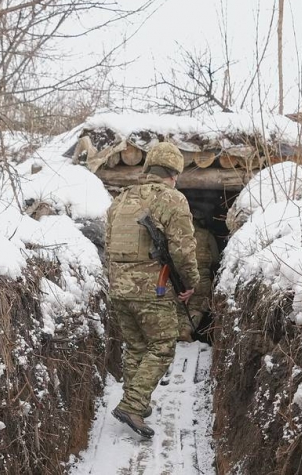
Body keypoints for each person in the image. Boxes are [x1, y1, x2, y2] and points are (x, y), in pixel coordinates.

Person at [105, 141, 200, 439]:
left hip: (119, 289)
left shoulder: (121, 199)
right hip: (152, 290)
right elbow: (184, 249)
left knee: (136, 347)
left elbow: (109, 243)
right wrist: (190, 283)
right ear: (174, 173)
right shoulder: (172, 199)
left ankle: (139, 403)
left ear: (149, 169)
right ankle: (132, 404)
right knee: (161, 347)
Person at [177, 214, 219, 342]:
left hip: (180, 278)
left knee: (179, 306)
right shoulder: (206, 235)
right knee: (198, 306)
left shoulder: (178, 236)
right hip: (201, 278)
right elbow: (216, 258)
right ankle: (186, 330)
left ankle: (177, 330)